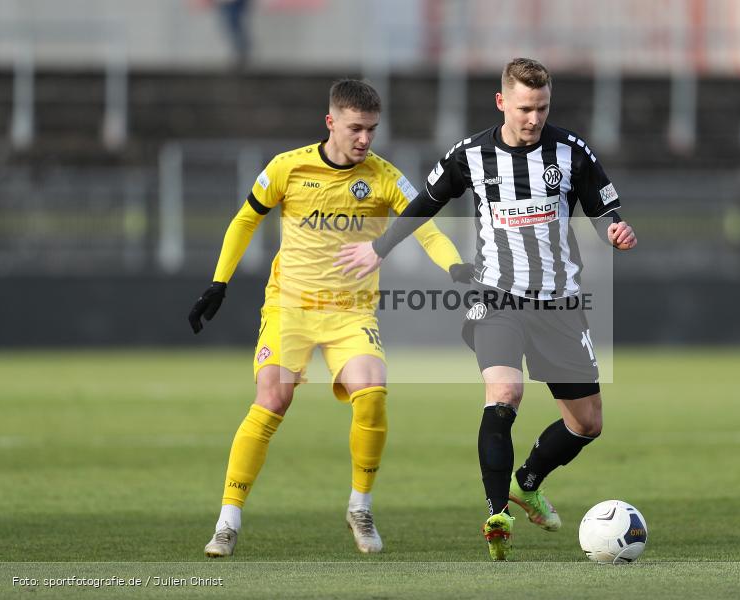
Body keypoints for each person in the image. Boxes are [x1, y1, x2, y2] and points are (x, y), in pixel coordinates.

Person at [336, 58, 637, 561]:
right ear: (502, 102)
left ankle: (529, 480)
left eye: (542, 108)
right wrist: (379, 248)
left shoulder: (570, 150)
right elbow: (424, 203)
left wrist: (615, 229)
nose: (534, 118)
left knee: (587, 424)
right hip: (496, 296)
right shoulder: (470, 155)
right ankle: (497, 512)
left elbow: (603, 207)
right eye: (524, 108)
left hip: (560, 302)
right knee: (504, 392)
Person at [189, 79, 467, 557]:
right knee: (272, 400)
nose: (364, 139)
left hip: (349, 313)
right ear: (331, 122)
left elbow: (428, 230)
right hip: (290, 307)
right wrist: (220, 282)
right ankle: (227, 520)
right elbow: (245, 219)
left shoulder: (384, 177)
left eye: (372, 130)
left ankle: (360, 506)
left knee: (373, 393)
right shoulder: (288, 167)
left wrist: (459, 269)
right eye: (355, 128)